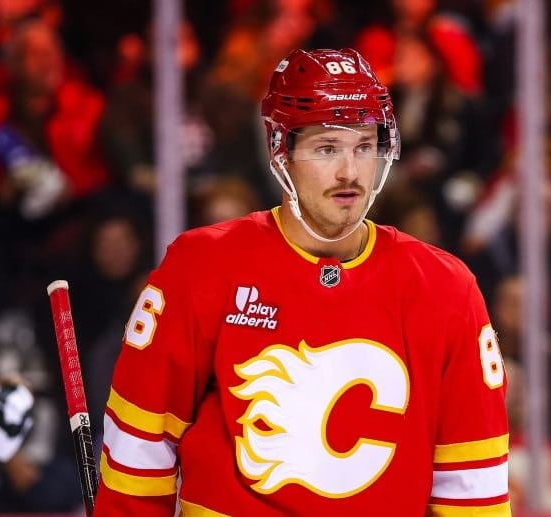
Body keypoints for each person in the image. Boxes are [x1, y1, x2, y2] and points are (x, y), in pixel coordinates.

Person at [94, 48, 510, 515]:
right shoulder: (202, 267)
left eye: (364, 146)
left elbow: (473, 488)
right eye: (327, 147)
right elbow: (139, 451)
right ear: (281, 151)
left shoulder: (446, 289)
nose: (349, 172)